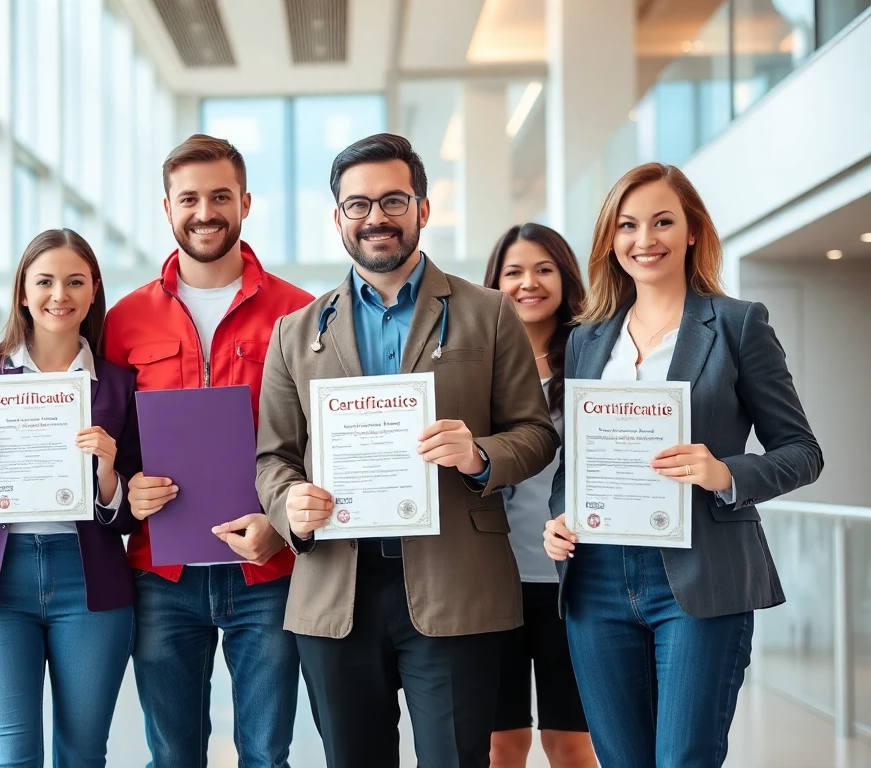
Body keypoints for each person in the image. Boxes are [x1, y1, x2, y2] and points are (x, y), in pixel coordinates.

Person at [255, 133, 559, 768]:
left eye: (393, 200)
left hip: (455, 583)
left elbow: (535, 434)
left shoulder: (489, 313)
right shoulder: (295, 333)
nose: (376, 218)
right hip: (337, 587)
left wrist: (478, 454)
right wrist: (290, 505)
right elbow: (273, 458)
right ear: (338, 218)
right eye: (358, 204)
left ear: (423, 208)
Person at [542, 162, 823, 767]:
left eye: (663, 222)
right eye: (628, 226)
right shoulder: (589, 339)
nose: (645, 241)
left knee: (683, 760)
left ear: (692, 230)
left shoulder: (738, 324)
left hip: (700, 576)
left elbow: (803, 452)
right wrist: (559, 516)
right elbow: (576, 462)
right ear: (610, 240)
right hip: (596, 578)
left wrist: (725, 473)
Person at [102, 134, 312, 767]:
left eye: (220, 196)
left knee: (267, 756)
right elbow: (109, 439)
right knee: (172, 757)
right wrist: (128, 484)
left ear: (245, 202)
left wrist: (283, 527)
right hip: (161, 572)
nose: (205, 211)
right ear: (166, 208)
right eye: (188, 198)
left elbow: (318, 440)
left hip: (268, 572)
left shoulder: (298, 313)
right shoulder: (124, 320)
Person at [0, 229, 140, 767]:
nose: (59, 295)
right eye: (44, 281)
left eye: (75, 281)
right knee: (10, 758)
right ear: (22, 291)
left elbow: (129, 516)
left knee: (83, 754)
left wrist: (110, 472)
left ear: (93, 290)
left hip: (89, 580)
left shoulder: (118, 384)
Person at [481, 224, 596, 768]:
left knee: (570, 741)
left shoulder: (596, 358)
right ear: (494, 284)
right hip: (490, 582)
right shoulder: (474, 365)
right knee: (501, 742)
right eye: (514, 272)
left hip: (571, 579)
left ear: (565, 278)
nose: (529, 283)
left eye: (544, 269)